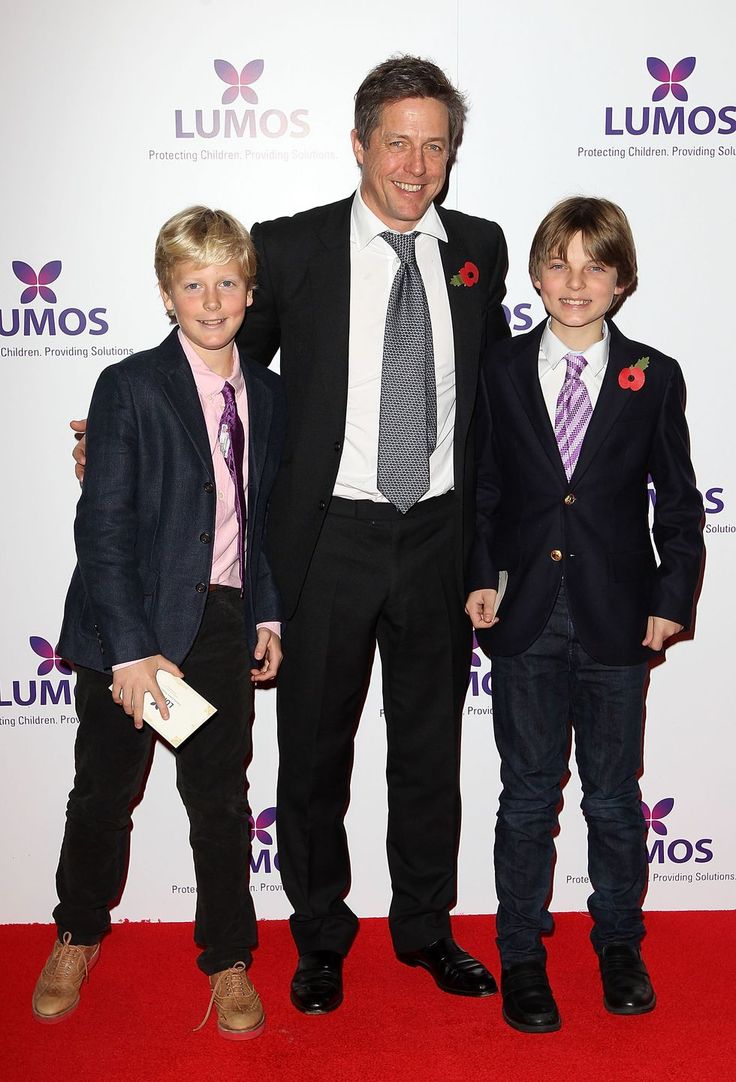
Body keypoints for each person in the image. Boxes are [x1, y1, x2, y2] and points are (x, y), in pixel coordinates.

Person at [73, 56, 510, 1014]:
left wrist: (487, 548)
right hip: (328, 542)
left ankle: (428, 930)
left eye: (435, 144)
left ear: (451, 157)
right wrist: (117, 437)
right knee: (314, 754)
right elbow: (222, 377)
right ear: (358, 144)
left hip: (435, 534)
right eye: (396, 140)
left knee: (431, 749)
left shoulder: (481, 249)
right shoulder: (294, 249)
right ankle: (320, 939)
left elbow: (485, 403)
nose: (414, 161)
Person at [35, 206, 286, 1040]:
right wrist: (132, 652)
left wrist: (269, 613)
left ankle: (228, 959)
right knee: (103, 795)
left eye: (225, 282)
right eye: (192, 284)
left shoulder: (272, 394)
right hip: (129, 624)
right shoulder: (130, 386)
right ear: (166, 293)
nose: (211, 300)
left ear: (249, 289)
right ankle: (76, 934)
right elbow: (101, 528)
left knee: (220, 802)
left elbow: (266, 522)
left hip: (221, 620)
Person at [465, 196, 704, 1033]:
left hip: (616, 619)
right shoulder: (498, 368)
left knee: (611, 795)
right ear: (535, 276)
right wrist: (481, 578)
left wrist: (671, 602)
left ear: (622, 280)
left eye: (594, 266)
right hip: (524, 614)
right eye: (558, 265)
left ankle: (618, 943)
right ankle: (521, 952)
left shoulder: (653, 374)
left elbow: (679, 506)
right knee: (527, 796)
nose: (575, 282)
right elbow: (483, 492)